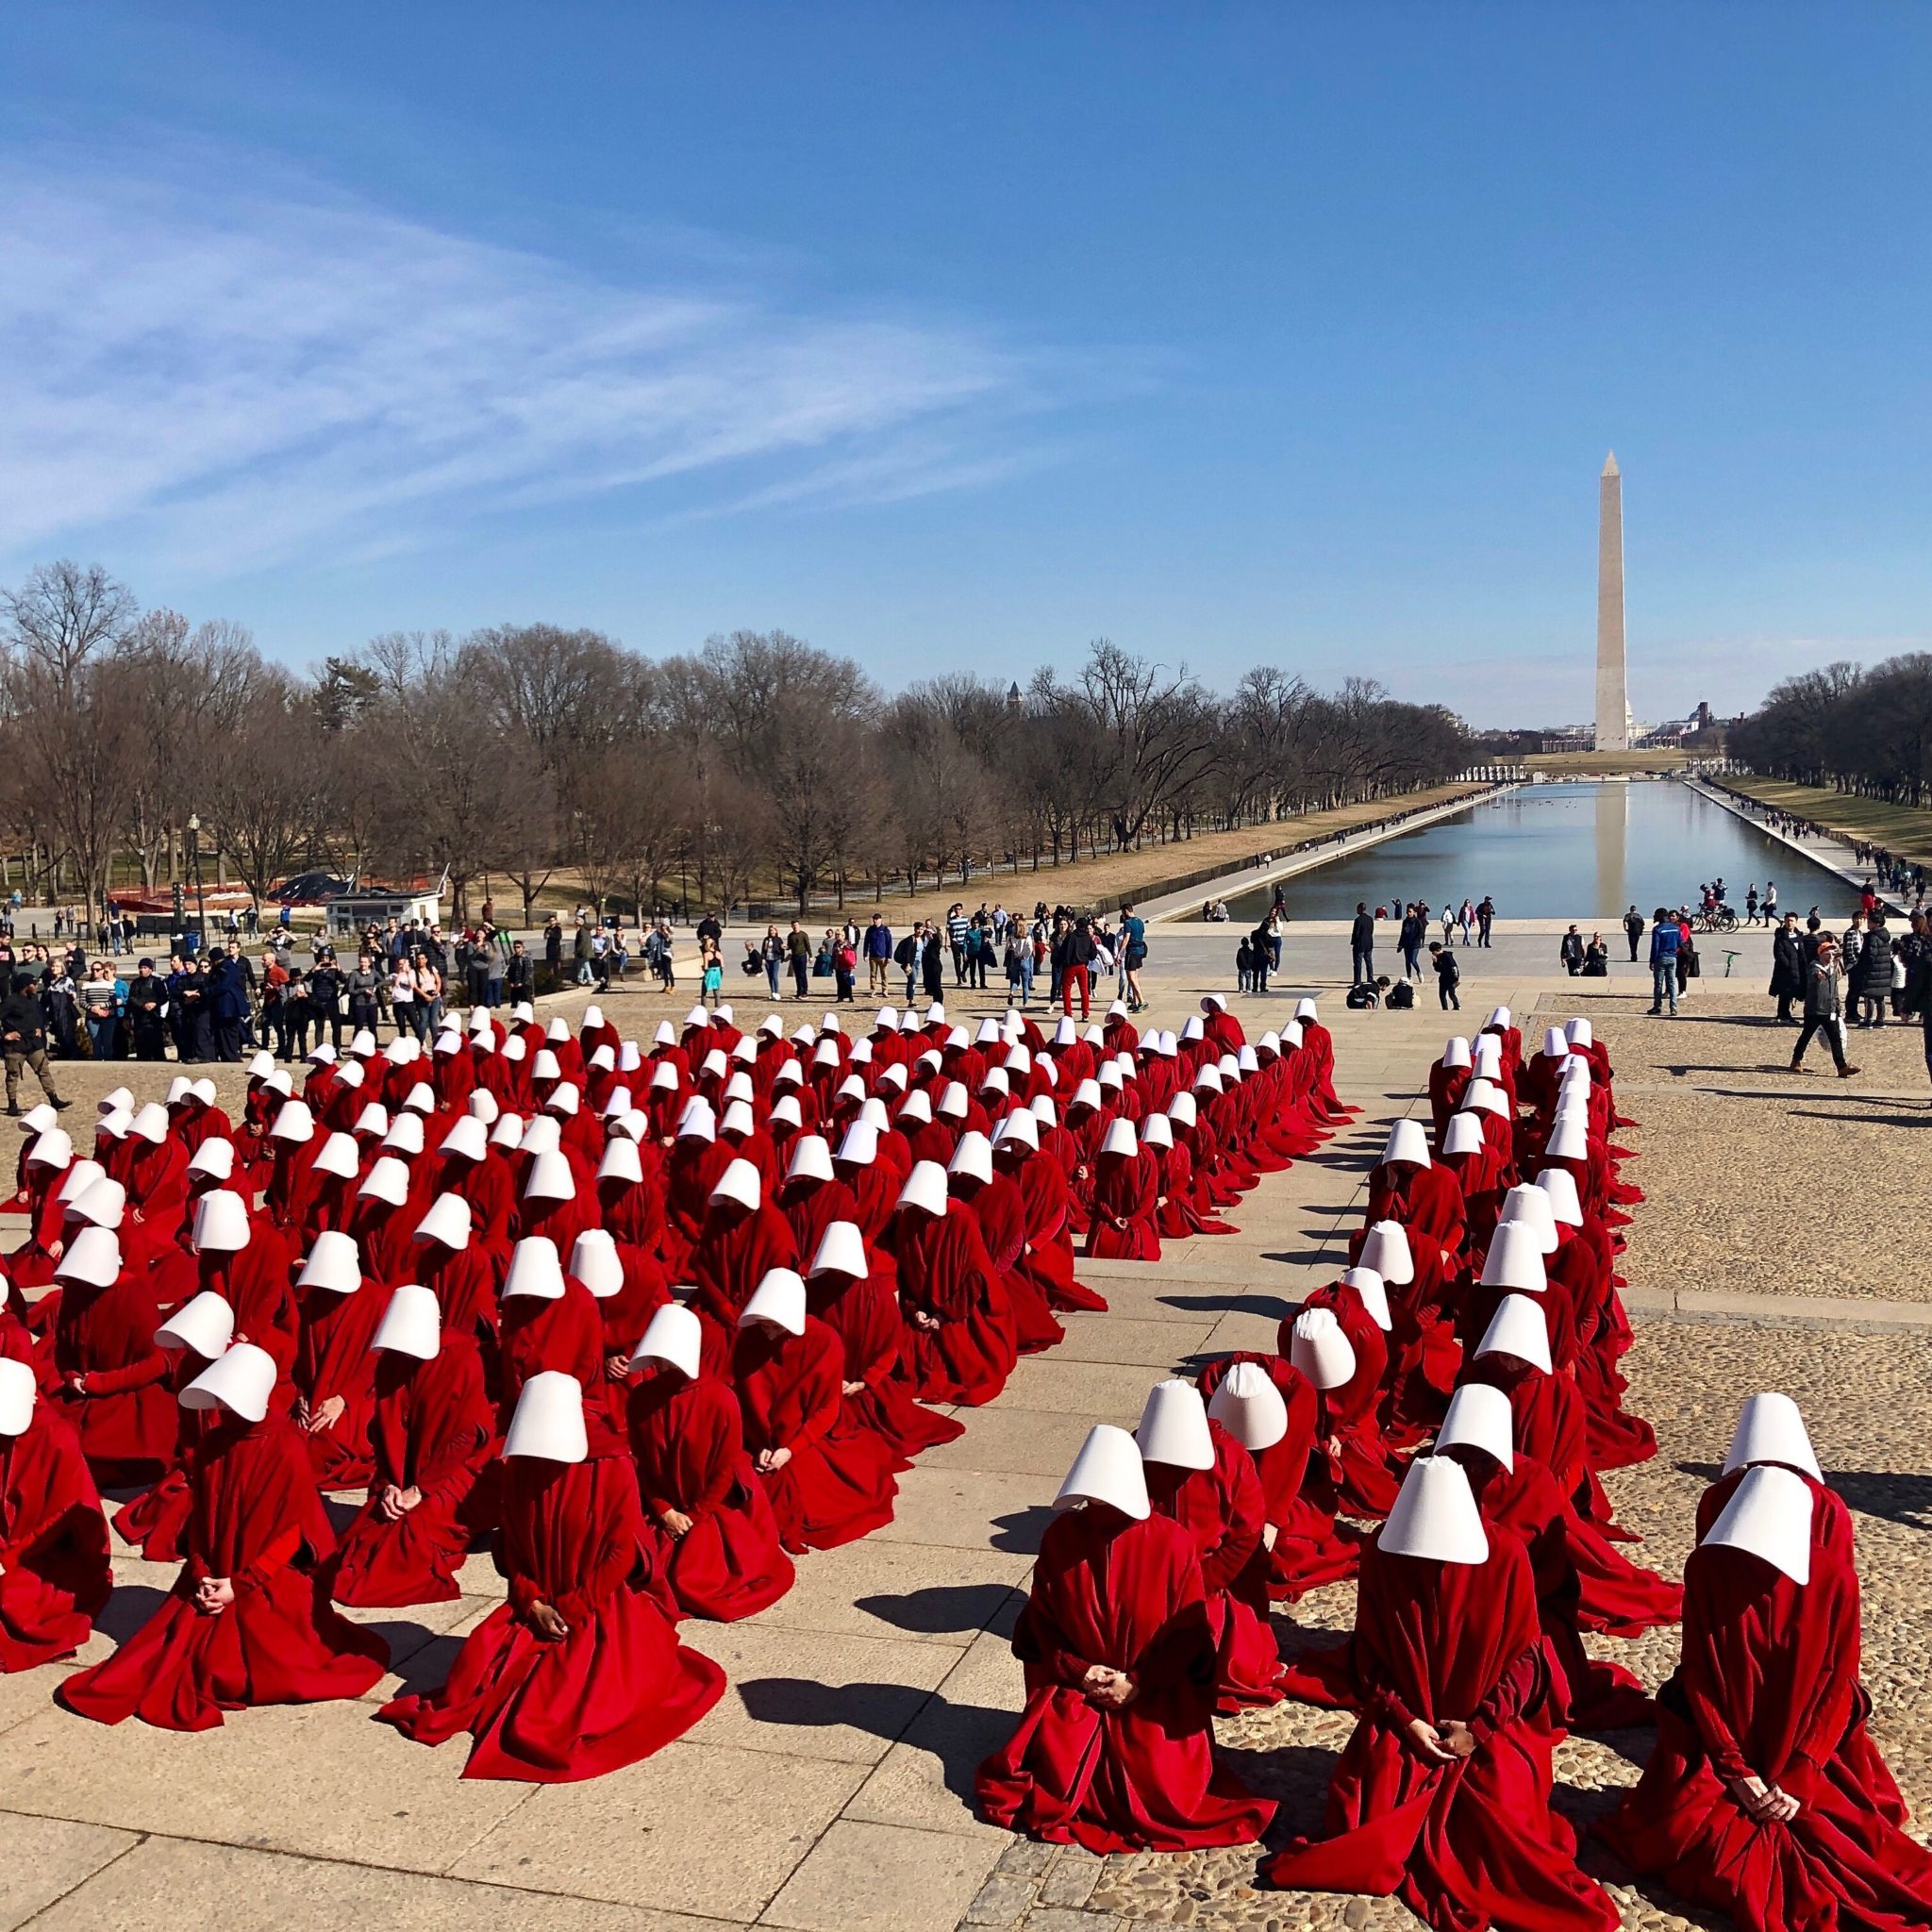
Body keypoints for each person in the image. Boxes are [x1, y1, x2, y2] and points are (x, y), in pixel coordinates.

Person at [1262, 1457, 1619, 1932]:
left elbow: (1526, 1660)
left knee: (1505, 1829)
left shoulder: (1507, 1554)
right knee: (1359, 1824)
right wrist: (1406, 1719)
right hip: (1405, 1725)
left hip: (1487, 1733)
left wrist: (1480, 1729)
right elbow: (1368, 1655)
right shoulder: (1384, 1554)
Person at [1602, 1462, 1932, 1931]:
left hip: (1802, 1742)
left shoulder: (1834, 1579)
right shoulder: (1710, 1569)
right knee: (1706, 1849)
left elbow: (1838, 1682)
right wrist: (1734, 1768)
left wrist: (1801, 1769)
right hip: (1728, 1739)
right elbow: (1699, 1672)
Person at [378, 1372, 726, 1780]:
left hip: (596, 1602)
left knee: (563, 1710)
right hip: (539, 1598)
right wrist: (533, 1602)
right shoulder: (519, 1466)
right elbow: (513, 1547)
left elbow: (621, 1552)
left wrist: (571, 1607)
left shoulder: (612, 1466)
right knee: (471, 1679)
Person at [976, 1424, 1275, 1851]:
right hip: (1106, 1690)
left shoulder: (1163, 1542)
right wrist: (1086, 1674)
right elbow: (1044, 1620)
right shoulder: (1092, 1538)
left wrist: (1132, 1681)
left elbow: (1183, 1633)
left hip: (1141, 1692)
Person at [59, 1343, 389, 1729]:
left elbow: (293, 1534)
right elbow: (202, 1520)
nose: (225, 1406)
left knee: (257, 1665)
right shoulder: (212, 1445)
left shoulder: (287, 1448)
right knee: (181, 1656)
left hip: (264, 1578)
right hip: (212, 1571)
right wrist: (201, 1571)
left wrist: (240, 1584)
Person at [1790, 933, 1857, 1078]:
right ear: (1821, 954)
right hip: (1814, 1010)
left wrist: (1837, 1007)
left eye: (1832, 953)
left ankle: (1842, 1067)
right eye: (1828, 953)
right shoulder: (1814, 967)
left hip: (1830, 1010)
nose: (1831, 955)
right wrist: (1821, 976)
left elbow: (1834, 990)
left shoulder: (1833, 969)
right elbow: (1816, 976)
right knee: (1806, 1036)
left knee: (1835, 1038)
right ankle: (1796, 1059)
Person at [2, 971, 66, 1114]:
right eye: (34, 984)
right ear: (25, 986)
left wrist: (39, 1028)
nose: (36, 986)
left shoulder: (33, 999)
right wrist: (5, 1035)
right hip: (16, 1045)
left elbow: (38, 1016)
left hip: (34, 1044)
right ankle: (12, 1104)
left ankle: (53, 1099)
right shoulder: (10, 1001)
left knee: (44, 1071)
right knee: (13, 1074)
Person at [1646, 906, 1680, 1016]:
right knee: (1672, 983)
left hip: (1661, 958)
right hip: (1672, 957)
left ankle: (1657, 1006)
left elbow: (1655, 947)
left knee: (1658, 984)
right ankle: (1673, 1007)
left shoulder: (1658, 929)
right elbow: (1680, 943)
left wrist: (1652, 961)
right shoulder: (1675, 928)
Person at [1426, 941, 1459, 1011]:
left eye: (1433, 951)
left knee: (1451, 994)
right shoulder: (1437, 957)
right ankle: (1445, 1008)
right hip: (1443, 979)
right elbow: (1438, 969)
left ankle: (1456, 1006)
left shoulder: (1447, 956)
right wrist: (1435, 962)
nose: (1432, 953)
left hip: (1450, 979)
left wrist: (1456, 978)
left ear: (1437, 950)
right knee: (1442, 994)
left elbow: (1454, 967)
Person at [1350, 903, 1375, 986]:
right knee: (1369, 962)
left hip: (1359, 944)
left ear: (1360, 909)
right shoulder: (1370, 919)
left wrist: (1353, 943)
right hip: (1368, 943)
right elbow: (1371, 931)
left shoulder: (1358, 920)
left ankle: (1357, 981)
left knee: (1358, 963)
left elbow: (1356, 933)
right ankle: (1370, 979)